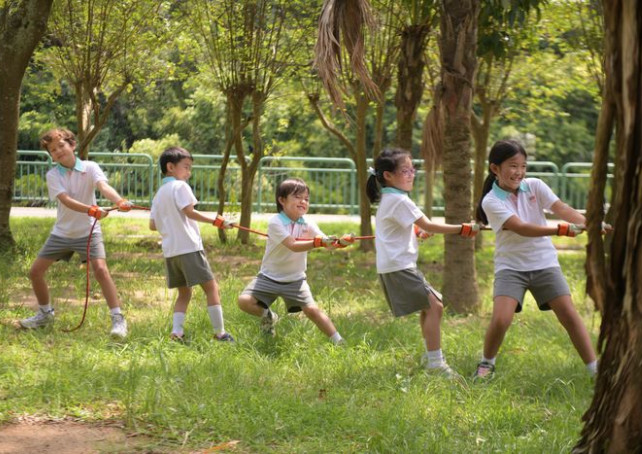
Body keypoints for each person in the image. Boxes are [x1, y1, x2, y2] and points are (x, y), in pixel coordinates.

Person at [473, 139, 598, 380]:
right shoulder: (491, 201)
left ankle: (595, 370)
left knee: (570, 316)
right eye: (512, 166)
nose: (519, 172)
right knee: (501, 319)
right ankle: (486, 364)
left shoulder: (535, 186)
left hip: (544, 263)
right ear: (495, 168)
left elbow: (562, 209)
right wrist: (560, 231)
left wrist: (590, 225)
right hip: (511, 268)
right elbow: (521, 228)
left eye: (523, 166)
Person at [366, 148, 479, 378]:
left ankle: (431, 357)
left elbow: (404, 229)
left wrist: (417, 233)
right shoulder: (399, 200)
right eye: (405, 171)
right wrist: (463, 228)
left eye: (412, 169)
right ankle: (435, 363)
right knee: (435, 306)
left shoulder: (393, 198)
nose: (411, 174)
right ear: (388, 175)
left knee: (431, 306)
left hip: (397, 264)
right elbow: (430, 225)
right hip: (399, 266)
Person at [19, 128, 131, 338]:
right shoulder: (53, 175)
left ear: (72, 145)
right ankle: (45, 314)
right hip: (61, 233)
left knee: (101, 271)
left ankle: (118, 319)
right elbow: (65, 200)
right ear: (50, 155)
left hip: (88, 232)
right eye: (53, 150)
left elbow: (103, 186)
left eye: (61, 145)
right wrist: (90, 209)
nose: (58, 151)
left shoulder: (90, 167)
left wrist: (119, 201)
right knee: (35, 272)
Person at [237, 178, 348, 344]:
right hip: (269, 277)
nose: (303, 201)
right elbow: (293, 245)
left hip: (295, 279)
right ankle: (269, 316)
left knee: (312, 310)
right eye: (297, 197)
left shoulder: (309, 223)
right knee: (244, 301)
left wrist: (341, 243)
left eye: (307, 199)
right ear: (282, 200)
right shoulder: (275, 222)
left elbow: (328, 244)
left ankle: (339, 342)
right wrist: (318, 242)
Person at [149, 146, 234, 343]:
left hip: (171, 252)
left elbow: (152, 225)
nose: (189, 172)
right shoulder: (180, 187)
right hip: (189, 248)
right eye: (186, 167)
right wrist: (216, 221)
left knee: (184, 293)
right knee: (211, 288)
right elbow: (190, 212)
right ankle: (220, 333)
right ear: (171, 167)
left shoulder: (159, 194)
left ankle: (177, 332)